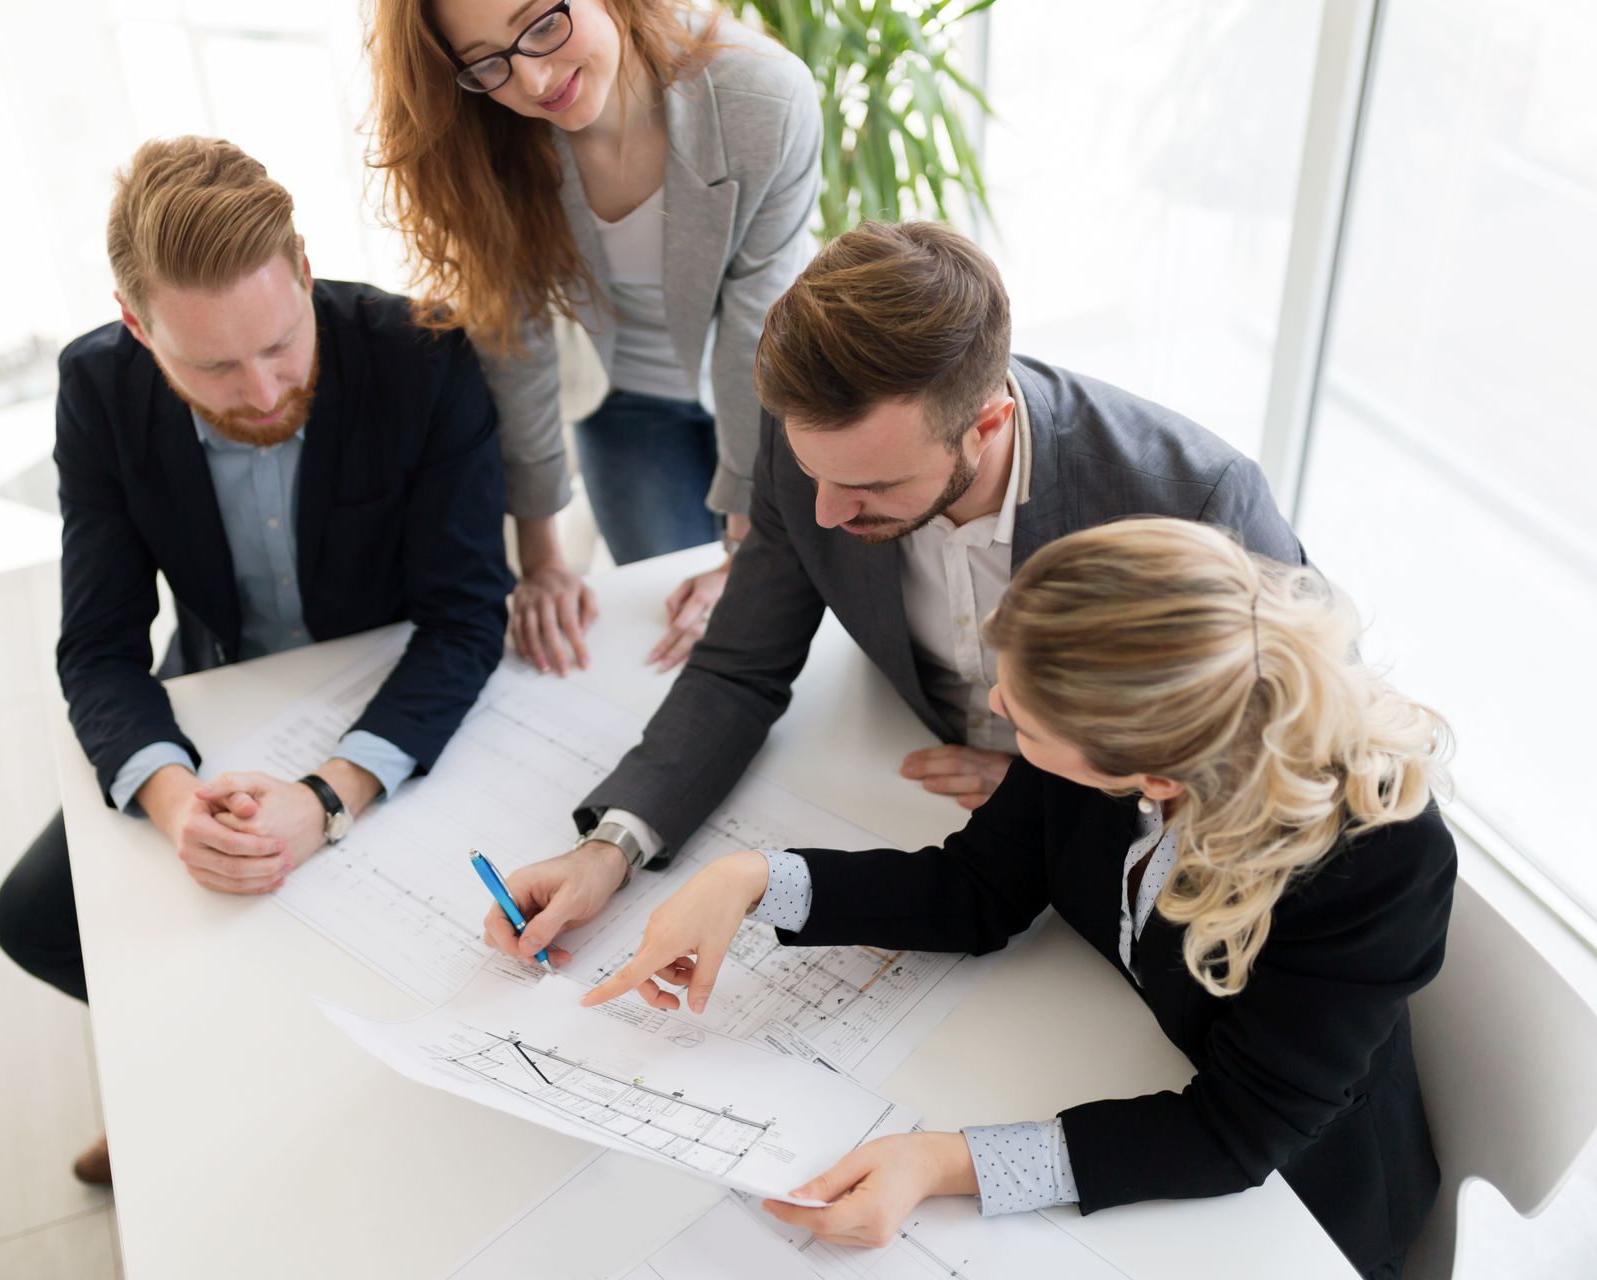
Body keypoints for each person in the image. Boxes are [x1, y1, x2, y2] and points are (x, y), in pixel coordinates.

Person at [584, 518, 1456, 1280]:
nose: (998, 708)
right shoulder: (1108, 706)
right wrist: (751, 879)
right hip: (1120, 1059)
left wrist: (944, 1162)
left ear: (1150, 774)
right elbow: (973, 891)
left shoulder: (1379, 868)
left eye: (1026, 724)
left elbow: (1236, 1135)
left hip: (1294, 1210)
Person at [481, 220, 1306, 964]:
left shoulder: (1195, 500)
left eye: (870, 487)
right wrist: (609, 850)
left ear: (985, 424)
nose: (826, 514)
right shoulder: (811, 439)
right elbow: (738, 666)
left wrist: (1072, 780)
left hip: (1106, 894)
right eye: (813, 473)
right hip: (905, 807)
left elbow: (1289, 751)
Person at [0, 136, 512, 1184]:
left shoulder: (421, 355)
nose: (265, 389)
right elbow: (97, 643)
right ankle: (179, 1077)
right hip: (222, 690)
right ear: (139, 329)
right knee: (35, 918)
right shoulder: (96, 386)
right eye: (213, 367)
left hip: (394, 687)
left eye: (280, 343)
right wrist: (180, 806)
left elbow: (466, 616)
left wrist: (329, 794)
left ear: (307, 273)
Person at [367, 0, 822, 673]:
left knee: (764, 610)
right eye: (488, 61)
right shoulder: (487, 137)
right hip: (623, 402)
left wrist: (744, 547)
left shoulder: (759, 95)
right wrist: (541, 560)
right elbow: (515, 348)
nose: (534, 79)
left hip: (766, 386)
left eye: (544, 23)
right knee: (658, 621)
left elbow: (756, 330)